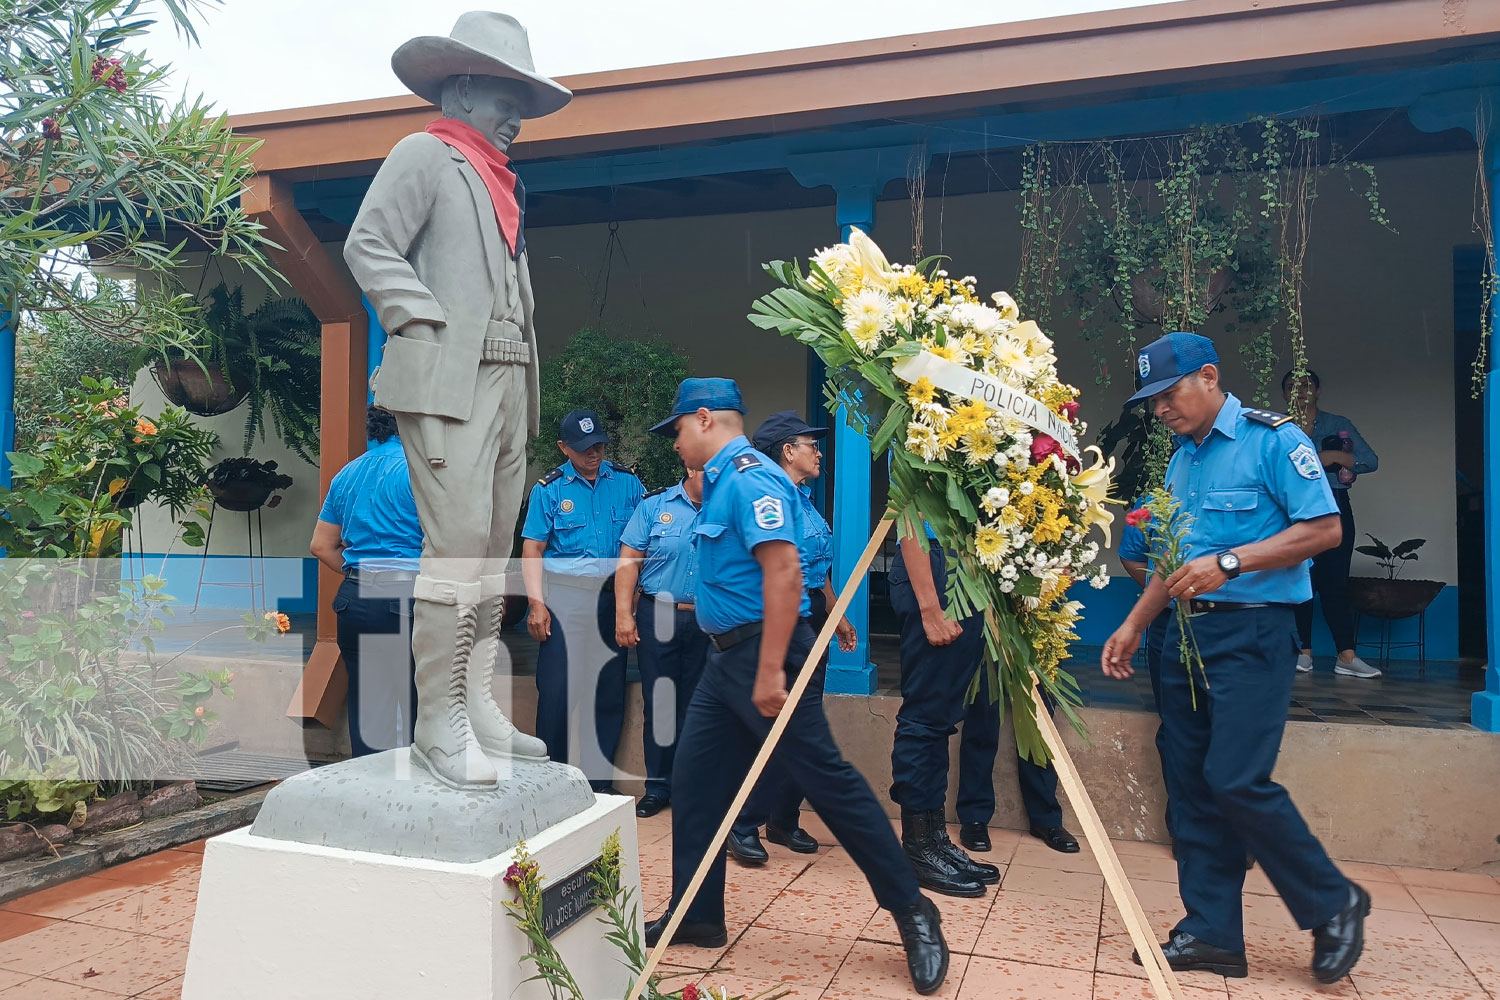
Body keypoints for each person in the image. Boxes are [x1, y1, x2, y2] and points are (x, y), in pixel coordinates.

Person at [642, 378, 949, 996]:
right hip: (723, 658)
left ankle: (914, 911)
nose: (675, 445)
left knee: (826, 781)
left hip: (765, 653)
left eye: (676, 431)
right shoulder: (724, 481)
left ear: (704, 420)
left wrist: (768, 671)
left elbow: (783, 573)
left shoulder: (750, 477)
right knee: (695, 782)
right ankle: (696, 913)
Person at [1101, 333, 1369, 985]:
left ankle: (1333, 902)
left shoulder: (1273, 441)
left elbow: (1325, 530)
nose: (1160, 410)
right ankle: (1212, 931)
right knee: (1191, 782)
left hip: (1254, 634)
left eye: (1168, 395)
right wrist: (1136, 623)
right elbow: (1171, 558)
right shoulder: (1180, 462)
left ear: (1209, 377)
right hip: (1184, 640)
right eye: (1152, 401)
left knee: (1235, 778)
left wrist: (1232, 561)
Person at [342, 12, 567, 787]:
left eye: (521, 101)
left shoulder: (503, 183)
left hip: (508, 380)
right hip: (448, 383)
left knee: (492, 554)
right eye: (506, 96)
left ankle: (475, 708)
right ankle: (438, 720)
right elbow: (368, 243)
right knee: (457, 548)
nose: (514, 117)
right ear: (462, 87)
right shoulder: (424, 154)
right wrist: (424, 318)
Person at [728, 411, 856, 865]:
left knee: (800, 726)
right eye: (811, 444)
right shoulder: (767, 500)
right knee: (777, 729)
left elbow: (815, 567)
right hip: (780, 624)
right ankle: (742, 823)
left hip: (812, 621)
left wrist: (836, 613)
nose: (818, 452)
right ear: (787, 451)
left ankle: (783, 818)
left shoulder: (803, 499)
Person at [522, 409, 644, 792]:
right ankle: (553, 781)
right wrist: (536, 604)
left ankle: (599, 784)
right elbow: (532, 549)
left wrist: (632, 597)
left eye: (598, 445)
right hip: (565, 602)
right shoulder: (549, 489)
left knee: (607, 692)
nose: (593, 454)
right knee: (557, 692)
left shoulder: (627, 484)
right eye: (584, 448)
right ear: (564, 448)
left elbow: (642, 543)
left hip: (611, 602)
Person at [885, 530, 1002, 897]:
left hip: (962, 569)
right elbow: (909, 517)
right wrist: (931, 607)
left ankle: (934, 839)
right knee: (925, 718)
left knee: (941, 719)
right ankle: (918, 847)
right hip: (933, 568)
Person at [310, 406, 423, 757]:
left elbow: (320, 544)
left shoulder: (347, 473)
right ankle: (415, 793)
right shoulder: (418, 471)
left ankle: (369, 789)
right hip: (406, 597)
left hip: (355, 600)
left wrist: (356, 572)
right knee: (419, 699)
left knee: (368, 704)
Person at [615, 465, 709, 818]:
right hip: (660, 614)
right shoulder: (654, 507)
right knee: (661, 704)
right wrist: (624, 615)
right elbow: (628, 563)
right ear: (689, 467)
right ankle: (658, 787)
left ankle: (692, 788)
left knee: (699, 707)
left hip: (708, 618)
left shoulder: (729, 509)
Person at [1282, 369, 1380, 678]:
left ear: (1318, 391)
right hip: (1290, 509)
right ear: (1285, 394)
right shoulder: (1277, 428)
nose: (1300, 391)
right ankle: (1303, 652)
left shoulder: (1337, 425)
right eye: (1292, 386)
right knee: (1300, 579)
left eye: (1307, 384)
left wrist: (1332, 455)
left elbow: (1370, 461)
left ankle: (1346, 656)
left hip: (1333, 505)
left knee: (1335, 580)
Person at [955, 676, 1079, 856]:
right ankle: (974, 816)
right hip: (985, 649)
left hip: (1037, 649)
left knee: (1039, 722)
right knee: (982, 716)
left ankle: (1045, 818)